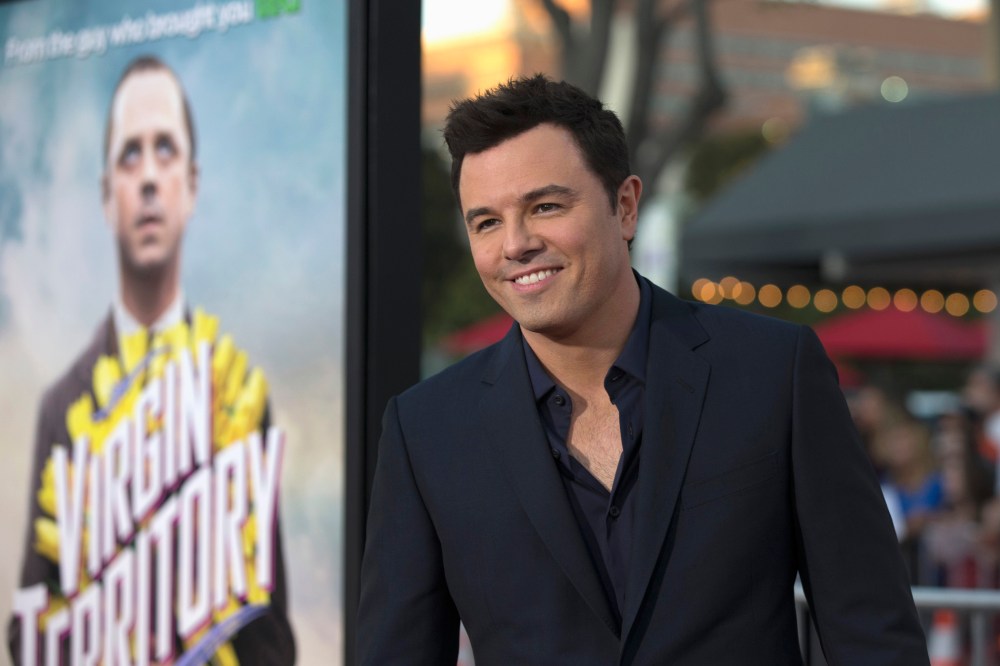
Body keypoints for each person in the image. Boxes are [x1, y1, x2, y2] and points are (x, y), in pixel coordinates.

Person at [357, 75, 927, 664]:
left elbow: (873, 634)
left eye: (545, 206)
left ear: (625, 207)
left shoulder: (772, 372)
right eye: (486, 222)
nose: (515, 244)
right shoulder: (427, 431)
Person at [8, 56, 295, 664]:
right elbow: (30, 624)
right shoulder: (63, 404)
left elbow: (272, 628)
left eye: (164, 149)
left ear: (191, 185)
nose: (146, 178)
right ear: (106, 196)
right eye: (129, 155)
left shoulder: (237, 392)